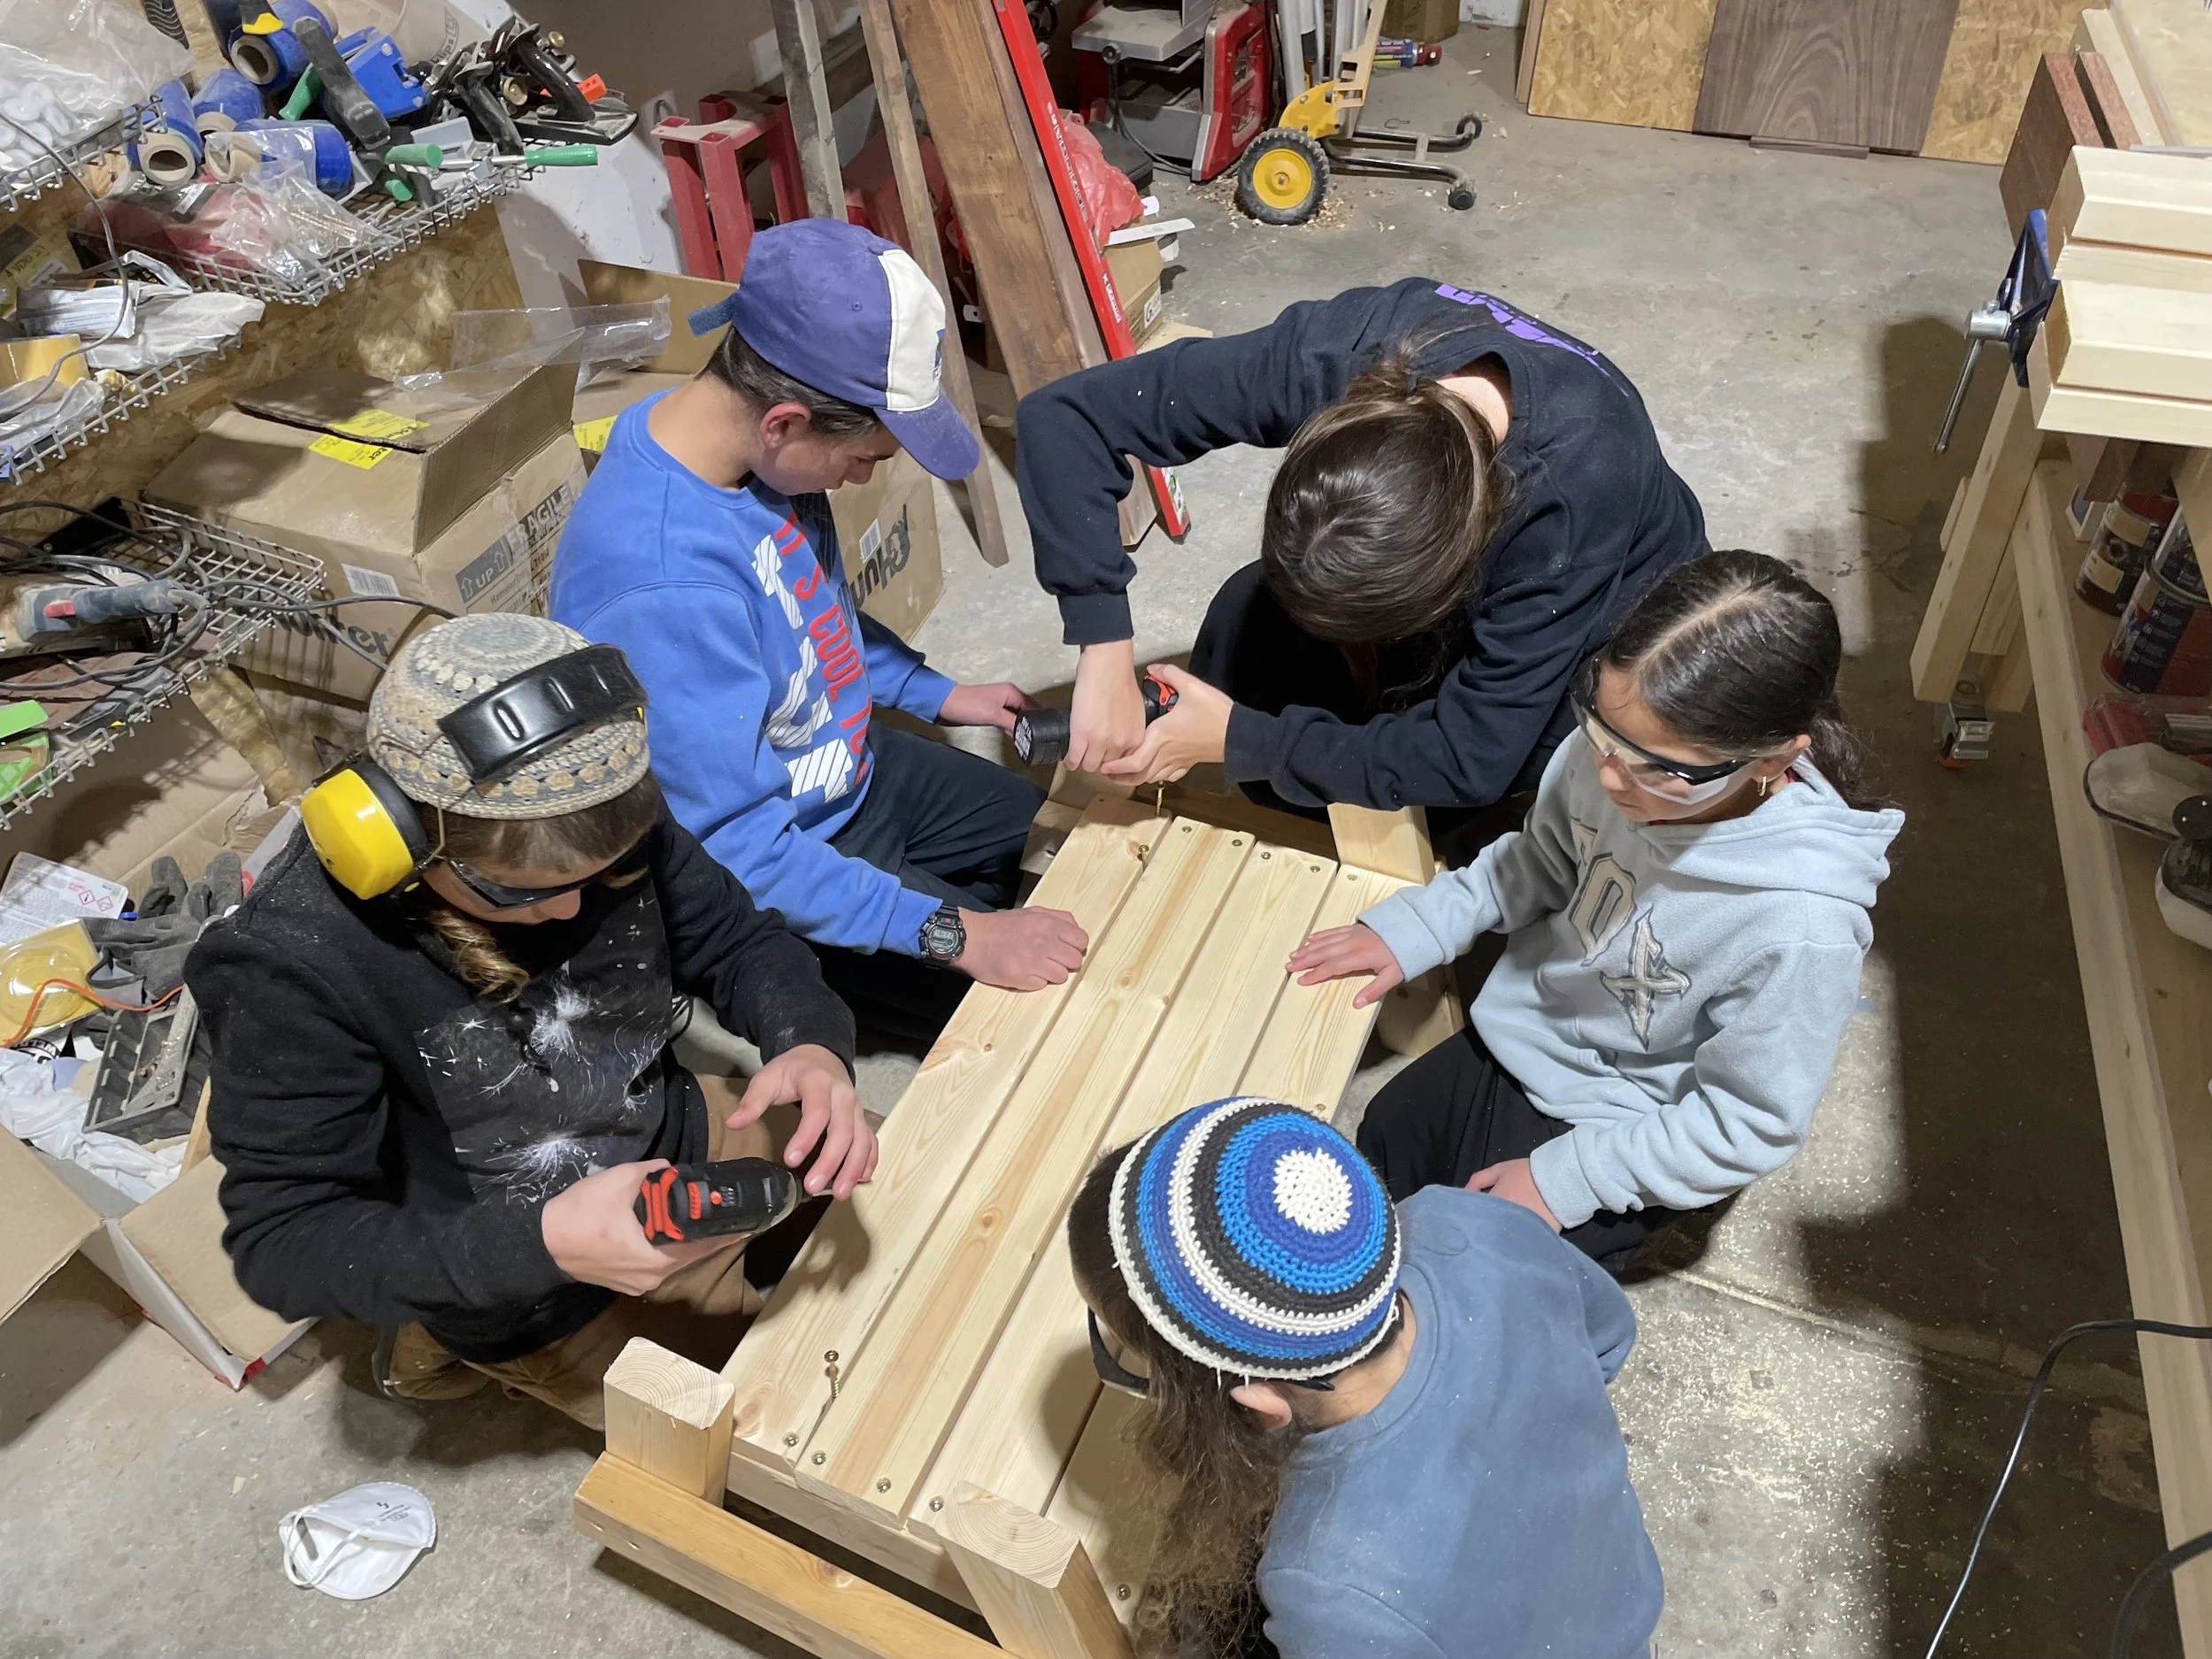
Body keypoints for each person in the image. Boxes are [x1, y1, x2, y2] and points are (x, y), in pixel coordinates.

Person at [188, 615, 873, 1429]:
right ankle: (452, 1343)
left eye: (607, 873)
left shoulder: (602, 809)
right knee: (791, 1421)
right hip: (534, 1286)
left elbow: (737, 939)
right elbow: (287, 1245)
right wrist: (543, 1244)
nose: (573, 908)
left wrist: (810, 1040)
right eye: (520, 892)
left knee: (906, 1200)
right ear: (397, 844)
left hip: (678, 1136)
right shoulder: (290, 964)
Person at [1287, 550, 1906, 1271]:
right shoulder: (1616, 748)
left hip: (1627, 1114)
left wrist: (1564, 1181)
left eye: (1660, 769)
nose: (1607, 775)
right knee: (1387, 1135)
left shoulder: (1801, 926)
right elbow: (1543, 857)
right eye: (1602, 732)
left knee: (1480, 1273)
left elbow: (1748, 1122)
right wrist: (1423, 924)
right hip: (1535, 1027)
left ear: (1771, 759)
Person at [551, 219, 1083, 1040]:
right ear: (785, 421)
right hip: (778, 859)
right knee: (1032, 1011)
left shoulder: (744, 455)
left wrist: (937, 693)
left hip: (848, 767)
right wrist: (959, 934)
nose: (866, 474)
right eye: (864, 457)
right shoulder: (659, 581)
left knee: (1063, 847)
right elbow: (741, 849)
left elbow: (812, 614)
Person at [1013, 279, 1712, 816]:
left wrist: (1242, 741)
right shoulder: (1337, 356)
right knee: (1243, 625)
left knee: (1533, 768)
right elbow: (1063, 416)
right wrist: (1103, 645)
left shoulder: (1576, 490)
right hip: (1475, 533)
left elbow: (1469, 758)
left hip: (1611, 609)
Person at [1068, 1096, 1663, 1659]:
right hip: (1621, 1599)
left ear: (1262, 1400)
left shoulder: (1330, 1590)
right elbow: (1610, 1334)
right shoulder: (1465, 1219)